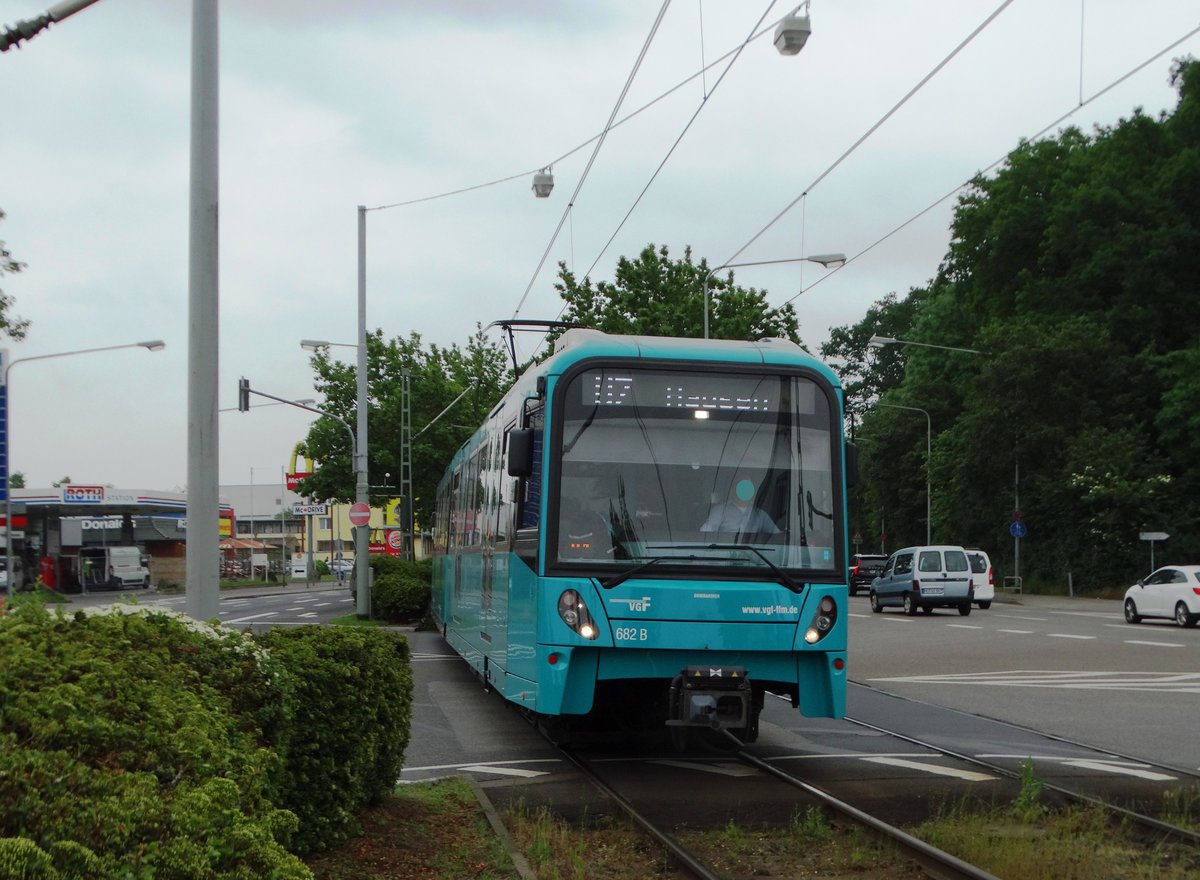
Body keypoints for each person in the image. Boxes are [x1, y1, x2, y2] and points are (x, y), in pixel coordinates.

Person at [700, 474, 779, 536]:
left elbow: (778, 537)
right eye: (741, 486)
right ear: (732, 490)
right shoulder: (720, 511)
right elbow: (705, 533)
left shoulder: (760, 515)